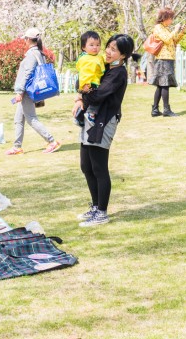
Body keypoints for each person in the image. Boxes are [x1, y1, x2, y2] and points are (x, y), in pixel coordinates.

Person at [72, 34, 137, 227]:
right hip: (90, 118)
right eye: (108, 47)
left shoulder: (118, 73)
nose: (108, 51)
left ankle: (102, 212)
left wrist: (82, 95)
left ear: (123, 55)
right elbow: (80, 81)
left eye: (113, 49)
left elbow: (98, 95)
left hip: (104, 120)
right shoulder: (103, 65)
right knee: (86, 166)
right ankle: (94, 206)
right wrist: (81, 93)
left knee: (99, 167)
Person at [6, 28, 61, 155]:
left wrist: (20, 91)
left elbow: (28, 74)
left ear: (29, 39)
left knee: (31, 118)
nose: (24, 41)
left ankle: (52, 141)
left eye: (25, 38)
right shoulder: (38, 53)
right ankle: (17, 146)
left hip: (27, 92)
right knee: (18, 119)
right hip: (29, 91)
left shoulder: (32, 54)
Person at [150, 7, 185, 117]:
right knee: (165, 85)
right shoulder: (158, 28)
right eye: (170, 18)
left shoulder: (166, 28)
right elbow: (167, 39)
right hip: (163, 59)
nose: (172, 20)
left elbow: (174, 41)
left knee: (161, 86)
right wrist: (175, 29)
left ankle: (155, 110)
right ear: (164, 18)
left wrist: (181, 32)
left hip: (167, 59)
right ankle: (166, 110)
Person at [75, 31, 106, 125]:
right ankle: (90, 114)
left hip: (93, 82)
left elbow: (104, 60)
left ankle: (79, 117)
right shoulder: (86, 59)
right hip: (88, 83)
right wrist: (84, 86)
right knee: (95, 99)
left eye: (98, 45)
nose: (95, 47)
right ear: (84, 47)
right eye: (91, 45)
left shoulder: (97, 56)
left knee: (86, 102)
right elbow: (85, 74)